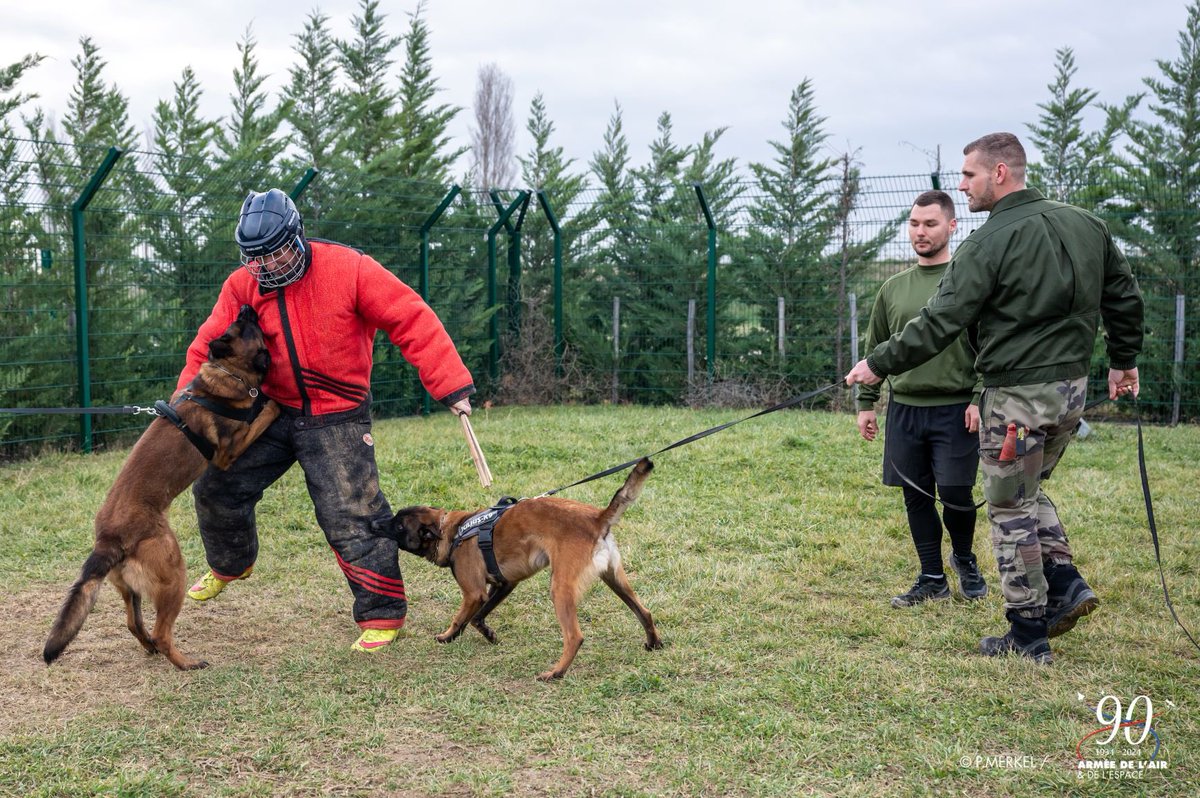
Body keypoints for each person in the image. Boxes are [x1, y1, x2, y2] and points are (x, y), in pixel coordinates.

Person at [845, 133, 1144, 664]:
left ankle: (1028, 633)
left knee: (1008, 509)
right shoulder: (1087, 225)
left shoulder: (989, 241)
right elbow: (1123, 295)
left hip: (1017, 398)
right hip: (1071, 391)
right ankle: (1067, 582)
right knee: (1028, 490)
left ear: (1000, 173)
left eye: (968, 176)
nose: (961, 187)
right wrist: (1123, 360)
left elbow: (942, 321)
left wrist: (878, 362)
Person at [177, 188, 475, 654]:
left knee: (352, 514)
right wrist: (184, 402)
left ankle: (383, 615)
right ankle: (230, 564)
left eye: (276, 255)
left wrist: (450, 384)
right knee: (216, 486)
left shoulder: (350, 268)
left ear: (297, 237)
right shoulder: (242, 285)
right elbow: (208, 343)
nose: (268, 267)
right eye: (257, 259)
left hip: (337, 415)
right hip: (271, 409)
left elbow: (410, 318)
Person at [856, 190, 987, 608]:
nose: (920, 232)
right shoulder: (893, 288)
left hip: (957, 409)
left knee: (955, 493)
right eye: (914, 224)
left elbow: (990, 346)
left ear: (952, 226)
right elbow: (876, 347)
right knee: (915, 496)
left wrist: (980, 397)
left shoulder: (967, 286)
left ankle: (964, 559)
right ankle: (931, 576)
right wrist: (866, 403)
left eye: (930, 224)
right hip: (905, 409)